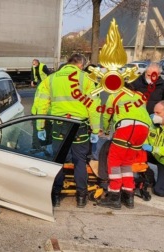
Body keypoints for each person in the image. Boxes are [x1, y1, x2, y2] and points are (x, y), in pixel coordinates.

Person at [36, 53, 101, 208]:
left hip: (59, 125)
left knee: (58, 161)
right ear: (80, 65)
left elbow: (42, 105)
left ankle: (56, 196)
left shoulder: (51, 79)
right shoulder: (87, 79)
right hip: (80, 126)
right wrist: (95, 130)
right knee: (79, 161)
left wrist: (40, 126)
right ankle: (81, 197)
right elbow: (94, 107)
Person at [98, 86, 151, 210]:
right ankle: (129, 197)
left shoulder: (114, 95)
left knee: (114, 161)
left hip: (127, 127)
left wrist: (106, 130)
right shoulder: (140, 95)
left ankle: (114, 197)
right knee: (127, 164)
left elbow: (106, 115)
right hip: (143, 130)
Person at [142, 100, 164, 197]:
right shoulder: (153, 124)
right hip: (156, 158)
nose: (154, 115)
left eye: (158, 113)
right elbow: (145, 136)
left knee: (160, 190)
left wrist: (154, 149)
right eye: (154, 112)